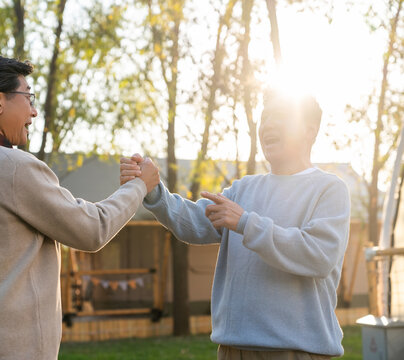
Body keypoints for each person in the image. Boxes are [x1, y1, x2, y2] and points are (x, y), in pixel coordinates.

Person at [0, 55, 159, 360]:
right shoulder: (14, 167)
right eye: (28, 97)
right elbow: (91, 229)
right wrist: (139, 186)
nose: (33, 111)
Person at [120, 90, 350, 359]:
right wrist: (153, 189)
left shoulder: (330, 189)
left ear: (310, 131)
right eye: (265, 117)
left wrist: (245, 223)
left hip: (295, 351)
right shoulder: (244, 188)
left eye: (281, 117)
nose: (268, 125)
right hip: (232, 351)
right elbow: (193, 222)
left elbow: (319, 255)